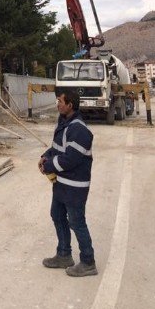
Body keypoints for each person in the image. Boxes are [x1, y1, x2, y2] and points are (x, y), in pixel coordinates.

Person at [38, 89, 97, 277]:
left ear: (70, 105)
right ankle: (64, 255)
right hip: (62, 184)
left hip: (75, 187)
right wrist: (45, 157)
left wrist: (49, 167)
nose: (57, 104)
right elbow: (57, 148)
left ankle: (88, 262)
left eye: (60, 101)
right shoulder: (64, 123)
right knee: (57, 214)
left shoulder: (79, 129)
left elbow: (70, 159)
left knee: (77, 222)